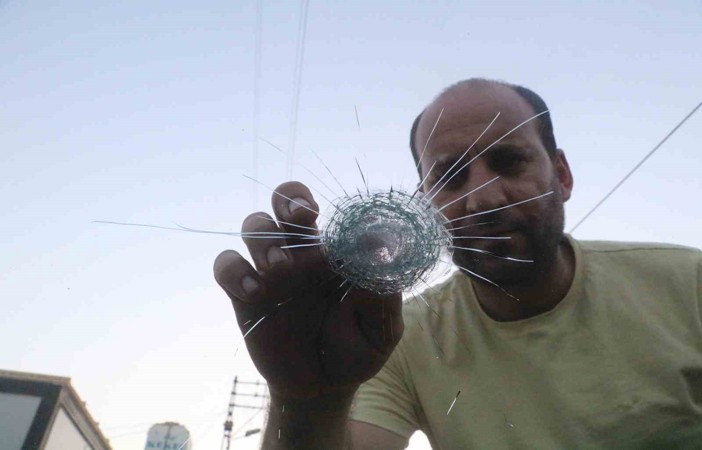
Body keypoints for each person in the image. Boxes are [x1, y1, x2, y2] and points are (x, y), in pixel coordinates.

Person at [213, 78, 702, 449]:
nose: (482, 198)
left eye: (508, 162)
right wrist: (307, 403)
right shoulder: (387, 335)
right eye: (450, 177)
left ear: (562, 174)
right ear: (424, 202)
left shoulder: (688, 284)